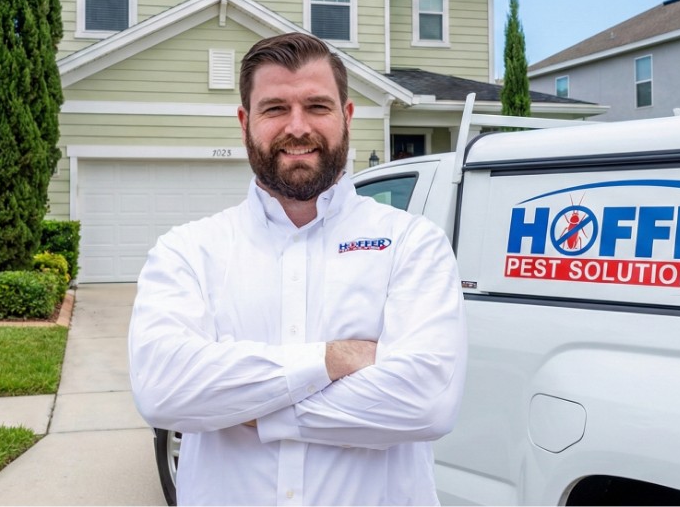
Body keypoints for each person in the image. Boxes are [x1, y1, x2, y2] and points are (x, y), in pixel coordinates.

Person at [128, 32, 467, 506]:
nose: (297, 126)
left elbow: (427, 404)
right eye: (274, 109)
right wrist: (334, 359)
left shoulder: (413, 244)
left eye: (317, 106)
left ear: (346, 117)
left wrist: (248, 406)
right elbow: (164, 390)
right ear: (245, 122)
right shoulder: (188, 251)